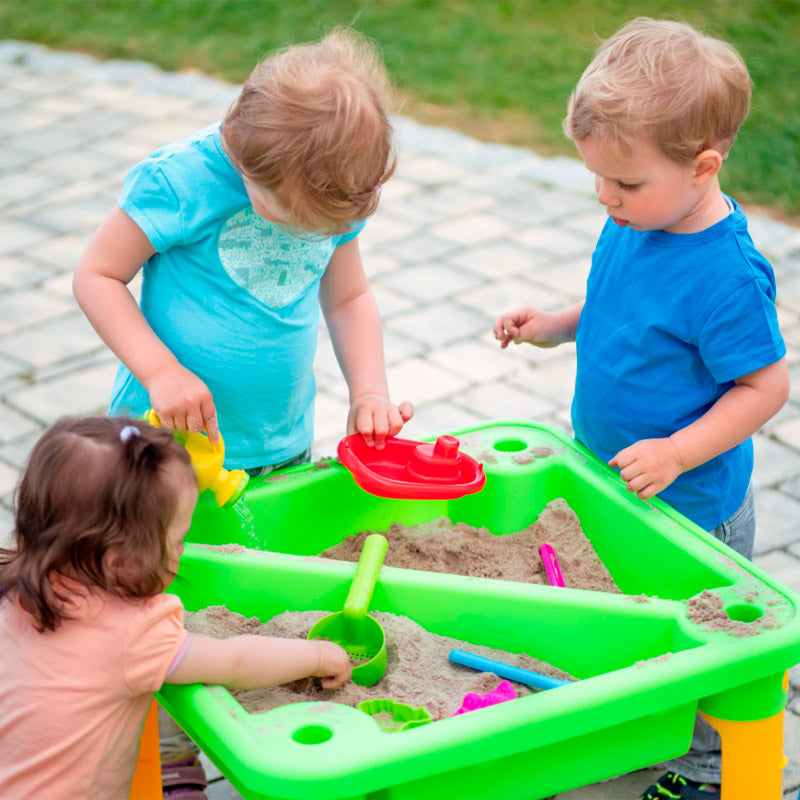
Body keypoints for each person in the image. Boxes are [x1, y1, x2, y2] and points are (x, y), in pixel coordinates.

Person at [494, 17, 788, 800]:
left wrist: (679, 452)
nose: (605, 197)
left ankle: (706, 770)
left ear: (703, 167)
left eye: (624, 184)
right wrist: (555, 327)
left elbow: (766, 387)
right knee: (638, 616)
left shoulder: (726, 277)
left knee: (706, 639)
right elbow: (615, 306)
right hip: (619, 484)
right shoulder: (637, 220)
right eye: (597, 178)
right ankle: (645, 724)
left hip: (691, 504)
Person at [73, 27, 412, 481]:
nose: (305, 231)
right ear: (250, 164)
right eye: (292, 216)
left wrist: (369, 391)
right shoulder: (181, 181)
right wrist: (161, 372)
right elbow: (97, 275)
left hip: (281, 444)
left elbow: (348, 298)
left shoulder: (333, 187)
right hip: (170, 442)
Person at [0, 416, 351, 800]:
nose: (182, 553)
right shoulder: (134, 631)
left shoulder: (14, 584)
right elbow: (235, 661)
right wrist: (317, 655)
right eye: (179, 540)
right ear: (123, 558)